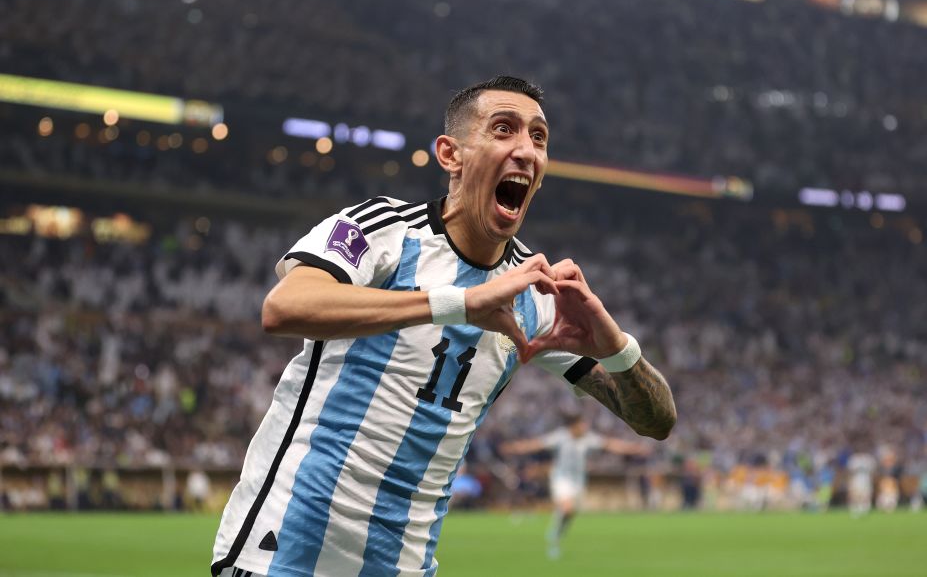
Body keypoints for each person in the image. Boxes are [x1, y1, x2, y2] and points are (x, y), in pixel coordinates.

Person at [211, 75, 677, 577]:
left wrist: (616, 348)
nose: (526, 150)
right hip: (284, 552)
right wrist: (458, 303)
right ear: (450, 154)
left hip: (406, 565)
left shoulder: (534, 295)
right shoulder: (385, 230)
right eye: (504, 129)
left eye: (538, 137)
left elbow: (656, 421)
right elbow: (284, 306)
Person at [501, 412, 651, 559]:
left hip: (578, 481)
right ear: (573, 426)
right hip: (561, 478)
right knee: (567, 507)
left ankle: (557, 531)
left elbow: (609, 444)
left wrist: (633, 449)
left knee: (570, 512)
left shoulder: (588, 439)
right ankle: (554, 536)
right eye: (581, 424)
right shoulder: (560, 436)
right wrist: (516, 448)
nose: (584, 427)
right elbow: (537, 444)